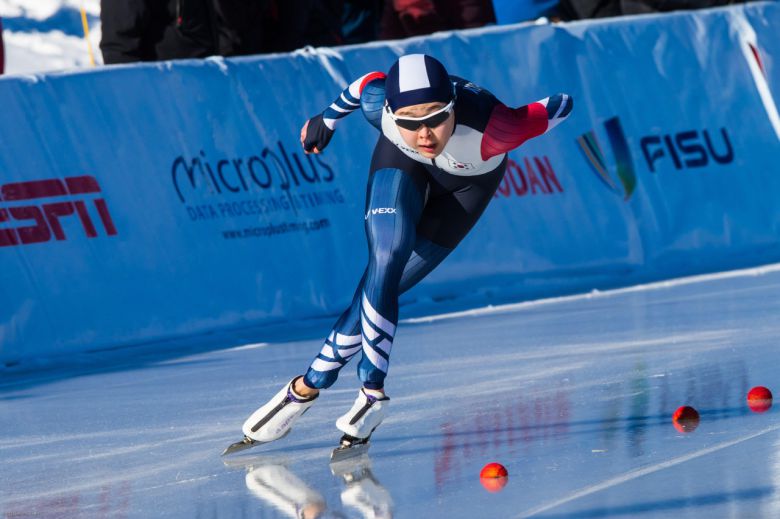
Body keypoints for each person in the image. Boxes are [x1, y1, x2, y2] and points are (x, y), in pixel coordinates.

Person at [232, 54, 573, 453]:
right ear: (393, 113)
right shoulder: (381, 107)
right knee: (386, 257)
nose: (424, 134)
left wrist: (541, 112)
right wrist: (326, 118)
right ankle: (371, 392)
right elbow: (365, 85)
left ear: (454, 108)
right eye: (410, 122)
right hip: (402, 165)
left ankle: (306, 387)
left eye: (436, 119)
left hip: (466, 189)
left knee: (383, 284)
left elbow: (561, 103)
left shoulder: (498, 127)